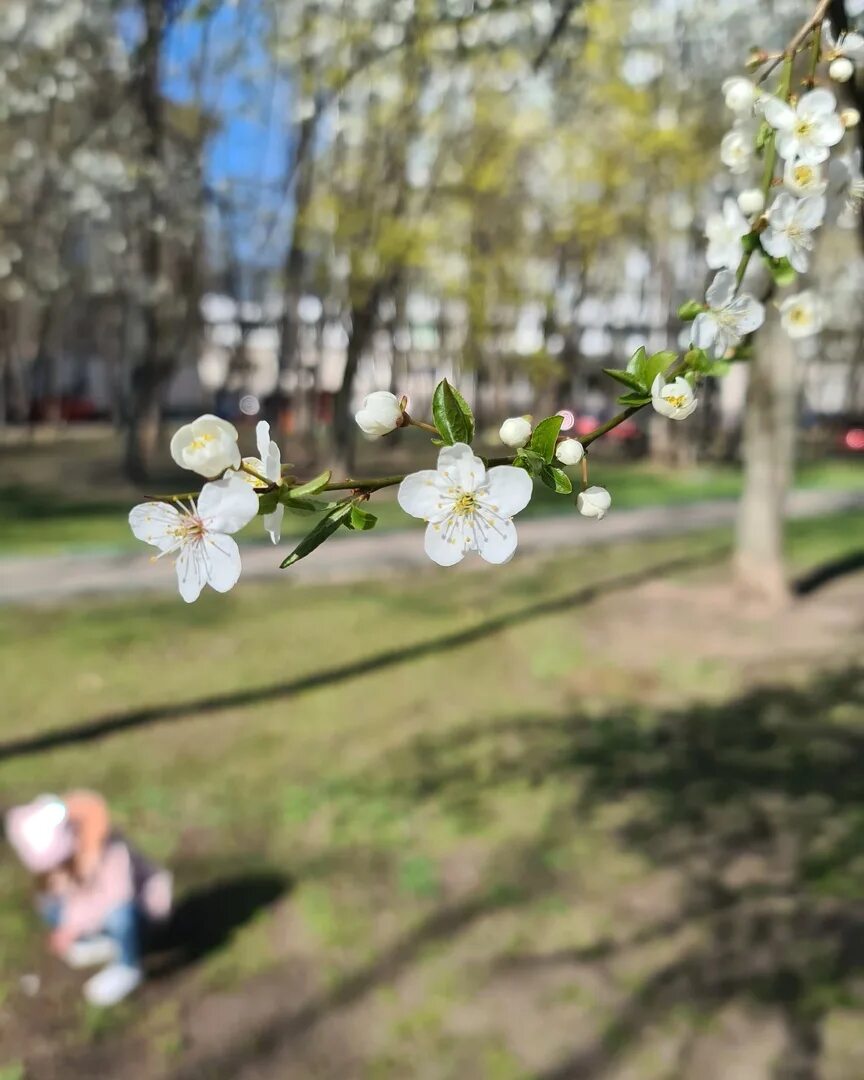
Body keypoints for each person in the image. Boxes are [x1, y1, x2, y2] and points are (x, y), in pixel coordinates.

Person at [5, 791, 172, 1007]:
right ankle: (103, 941)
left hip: (141, 910)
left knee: (119, 916)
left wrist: (71, 926)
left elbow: (117, 897)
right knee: (48, 901)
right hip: (92, 904)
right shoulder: (64, 863)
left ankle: (128, 966)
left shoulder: (110, 851)